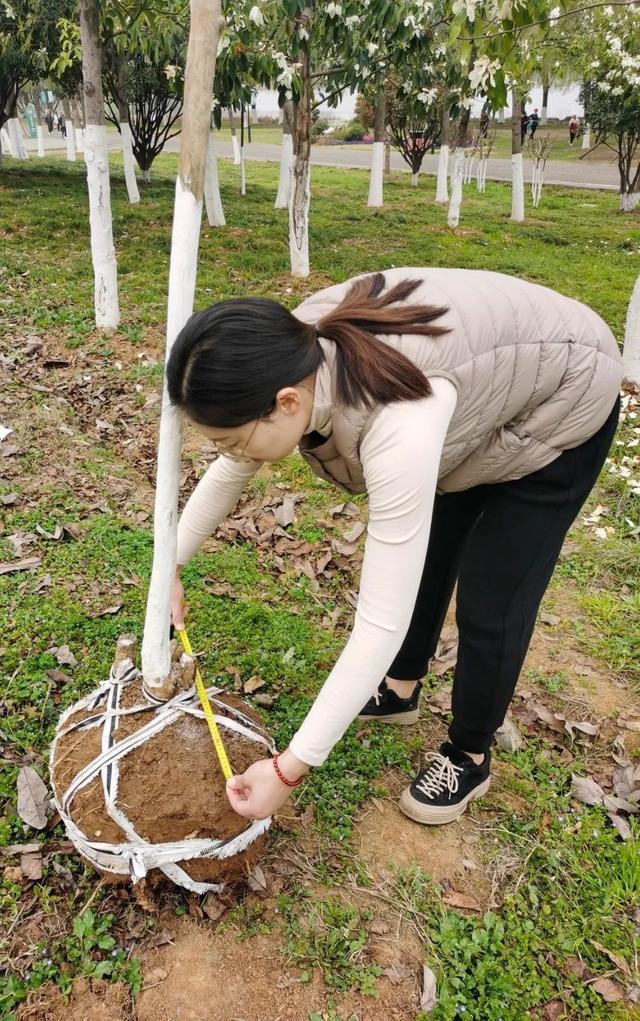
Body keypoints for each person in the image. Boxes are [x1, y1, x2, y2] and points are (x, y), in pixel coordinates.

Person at [166, 269, 622, 826]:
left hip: (565, 392)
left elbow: (379, 623)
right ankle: (401, 690)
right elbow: (232, 468)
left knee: (494, 594)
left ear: (286, 402)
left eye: (233, 440)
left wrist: (288, 769)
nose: (232, 454)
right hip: (478, 389)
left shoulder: (401, 424)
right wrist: (172, 566)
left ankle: (469, 754)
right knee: (429, 552)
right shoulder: (293, 351)